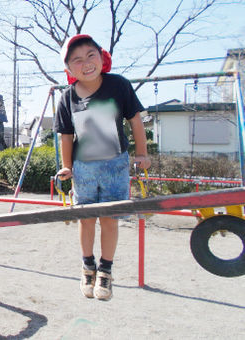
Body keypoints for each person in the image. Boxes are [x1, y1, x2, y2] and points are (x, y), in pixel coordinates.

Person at [54, 34, 151, 301]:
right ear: (69, 69)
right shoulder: (67, 97)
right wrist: (66, 166)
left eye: (90, 55)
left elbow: (135, 120)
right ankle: (88, 266)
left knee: (109, 219)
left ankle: (106, 271)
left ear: (102, 56)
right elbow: (65, 135)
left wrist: (142, 153)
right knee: (86, 219)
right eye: (77, 59)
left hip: (115, 164)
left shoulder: (118, 85)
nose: (85, 63)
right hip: (83, 167)